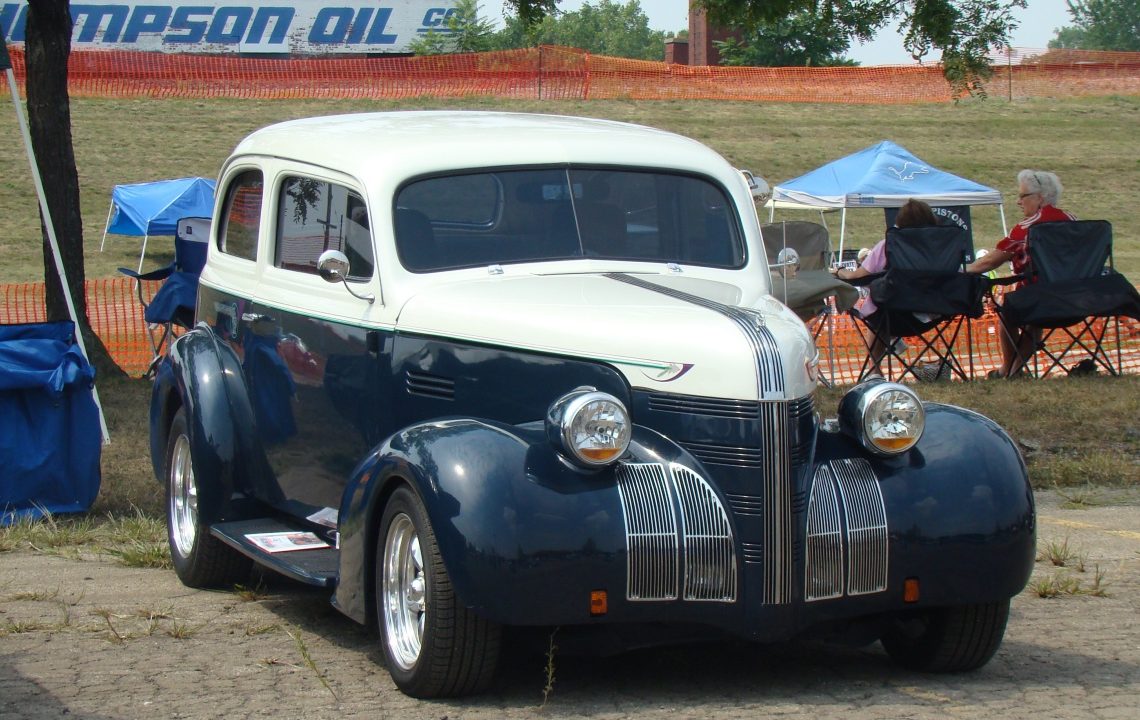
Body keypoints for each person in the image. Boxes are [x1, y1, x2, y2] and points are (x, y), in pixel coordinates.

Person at [966, 170, 1077, 379]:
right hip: (1076, 300)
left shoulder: (1027, 228)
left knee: (1008, 310)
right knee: (1033, 318)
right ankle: (1013, 370)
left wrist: (964, 271)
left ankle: (1009, 370)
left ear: (1040, 198)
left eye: (1023, 196)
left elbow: (991, 261)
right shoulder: (1073, 221)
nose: (1018, 202)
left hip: (1037, 299)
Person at [831, 198, 939, 378]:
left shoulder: (889, 245)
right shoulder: (941, 249)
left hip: (893, 314)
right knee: (881, 307)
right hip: (934, 312)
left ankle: (875, 370)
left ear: (900, 221)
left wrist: (839, 271)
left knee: (878, 310)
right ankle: (889, 349)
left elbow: (857, 277)